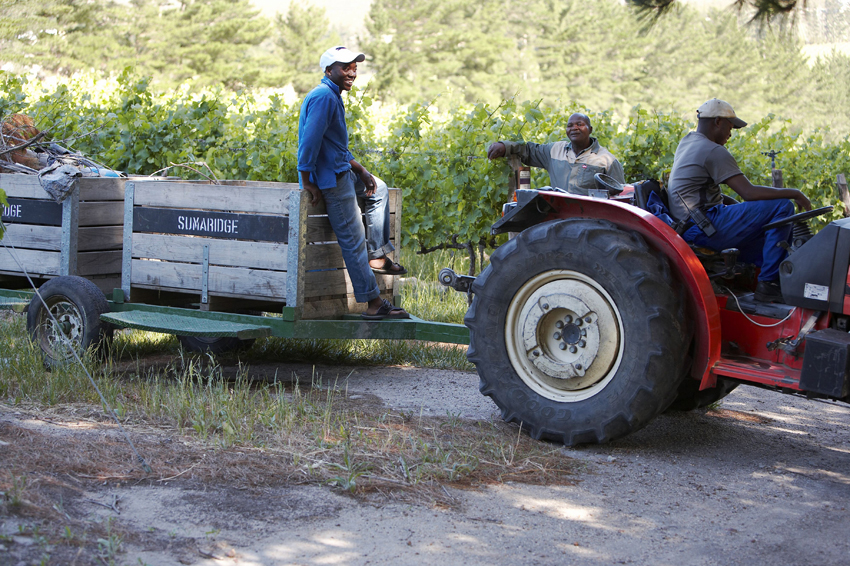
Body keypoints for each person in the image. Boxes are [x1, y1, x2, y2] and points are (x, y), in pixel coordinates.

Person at [298, 46, 408, 319]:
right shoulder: (324, 97)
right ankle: (373, 304)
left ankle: (378, 255)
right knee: (353, 241)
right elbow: (309, 143)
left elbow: (333, 145)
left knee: (378, 188)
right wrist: (307, 181)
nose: (352, 72)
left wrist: (360, 169)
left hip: (342, 173)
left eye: (355, 68)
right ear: (328, 70)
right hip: (332, 181)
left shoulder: (332, 96)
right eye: (345, 67)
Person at [667, 98, 812, 303]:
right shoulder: (713, 150)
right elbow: (749, 193)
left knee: (771, 241)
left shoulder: (688, 141)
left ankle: (768, 280)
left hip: (690, 225)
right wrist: (795, 193)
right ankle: (768, 285)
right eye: (730, 126)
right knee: (783, 206)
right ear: (717, 122)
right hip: (705, 227)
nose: (731, 133)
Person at [486, 112, 625, 195]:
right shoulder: (555, 150)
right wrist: (505, 146)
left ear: (590, 129)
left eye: (580, 124)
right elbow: (528, 150)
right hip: (559, 218)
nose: (574, 128)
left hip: (590, 222)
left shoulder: (606, 160)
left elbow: (619, 194)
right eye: (570, 125)